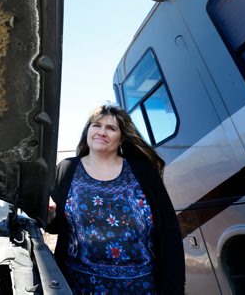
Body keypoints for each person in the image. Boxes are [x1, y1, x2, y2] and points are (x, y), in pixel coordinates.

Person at [46, 105, 185, 294]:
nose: (102, 132)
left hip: (142, 288)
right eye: (96, 125)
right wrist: (50, 215)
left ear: (121, 138)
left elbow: (169, 231)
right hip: (79, 286)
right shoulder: (67, 168)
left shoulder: (142, 170)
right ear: (88, 131)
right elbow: (55, 226)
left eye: (111, 128)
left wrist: (174, 287)